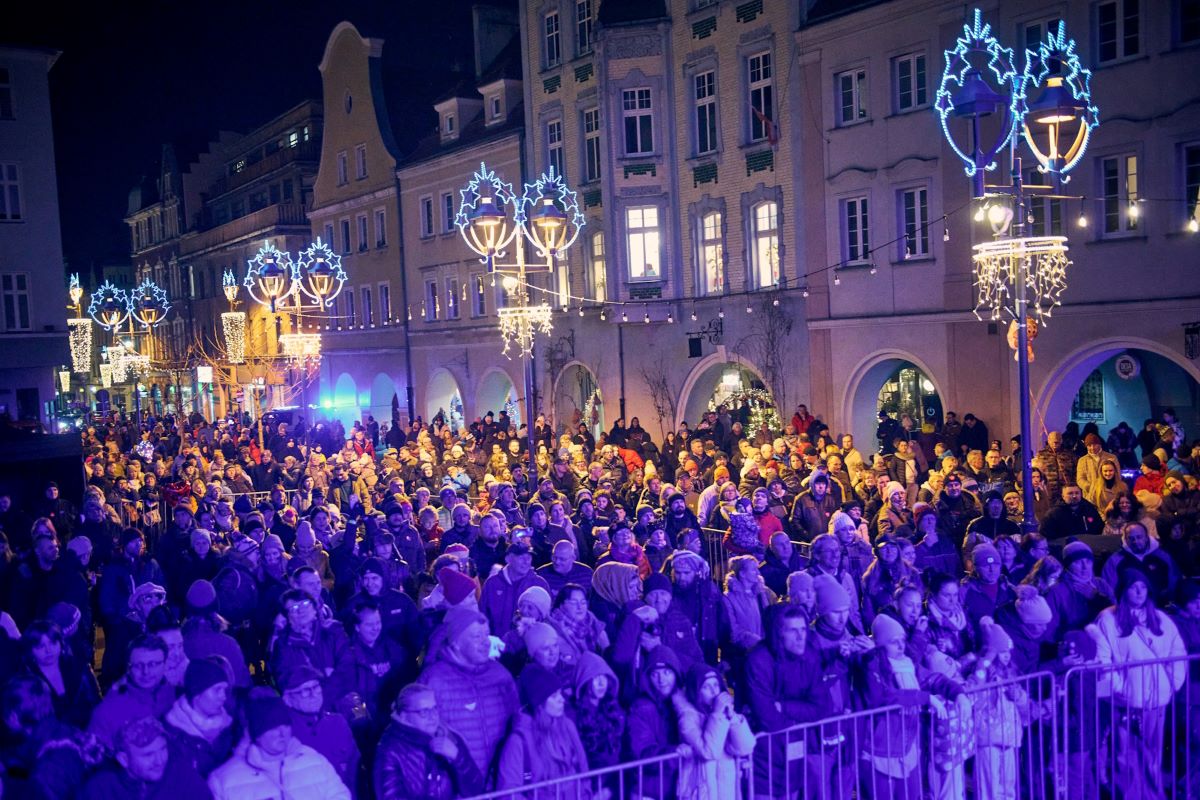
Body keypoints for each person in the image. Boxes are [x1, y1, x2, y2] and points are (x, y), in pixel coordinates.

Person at [1093, 568, 1188, 800]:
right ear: (1123, 590)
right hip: (1125, 704)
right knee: (1125, 757)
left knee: (1152, 756)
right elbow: (1102, 662)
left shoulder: (1162, 619)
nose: (1139, 591)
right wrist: (1122, 691)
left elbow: (1178, 653)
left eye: (1143, 586)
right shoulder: (1107, 619)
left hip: (1157, 702)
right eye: (1133, 586)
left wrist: (1171, 685)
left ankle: (1152, 796)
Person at [418, 607, 519, 779]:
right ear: (456, 642)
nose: (486, 642)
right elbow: (420, 736)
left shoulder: (500, 676)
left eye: (486, 635)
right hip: (457, 786)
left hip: (500, 783)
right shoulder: (434, 680)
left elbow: (518, 725)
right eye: (476, 636)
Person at [207, 694, 350, 800]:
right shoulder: (226, 780)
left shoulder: (313, 760)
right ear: (257, 734)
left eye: (285, 725)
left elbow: (339, 795)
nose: (282, 733)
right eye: (273, 727)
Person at [373, 682, 483, 800]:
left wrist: (457, 758)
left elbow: (476, 791)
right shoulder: (390, 749)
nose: (433, 716)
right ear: (404, 716)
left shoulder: (450, 738)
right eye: (423, 712)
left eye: (434, 708)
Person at [497, 664, 591, 796]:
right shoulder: (518, 741)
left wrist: (586, 794)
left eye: (560, 693)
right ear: (539, 704)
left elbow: (582, 768)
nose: (562, 700)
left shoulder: (568, 726)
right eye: (554, 696)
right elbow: (508, 793)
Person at [674, 662, 756, 800]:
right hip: (699, 791)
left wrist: (733, 719)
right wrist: (718, 715)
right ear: (696, 692)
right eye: (706, 687)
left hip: (726, 790)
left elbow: (746, 747)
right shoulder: (687, 719)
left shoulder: (722, 714)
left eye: (716, 685)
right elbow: (709, 751)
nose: (714, 691)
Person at [80, 716, 211, 800]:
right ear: (123, 759)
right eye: (148, 754)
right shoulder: (100, 790)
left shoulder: (182, 775)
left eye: (163, 749)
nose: (160, 760)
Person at [279, 665, 360, 793]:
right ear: (287, 699)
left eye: (316, 687)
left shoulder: (337, 722)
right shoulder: (284, 733)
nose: (313, 695)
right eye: (305, 691)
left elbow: (355, 767)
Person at [88, 634, 178, 748]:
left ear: (165, 664)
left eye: (153, 664)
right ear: (128, 668)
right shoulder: (107, 711)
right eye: (138, 665)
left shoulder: (175, 694)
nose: (146, 672)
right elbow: (95, 756)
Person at [163, 657, 237, 778]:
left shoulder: (231, 728)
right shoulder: (171, 735)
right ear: (197, 693)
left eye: (224, 690)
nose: (223, 697)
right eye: (217, 690)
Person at [571, 651, 626, 770]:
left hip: (616, 781)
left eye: (604, 677)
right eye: (595, 678)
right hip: (590, 782)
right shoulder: (574, 715)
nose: (601, 683)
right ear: (584, 682)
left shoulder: (615, 710)